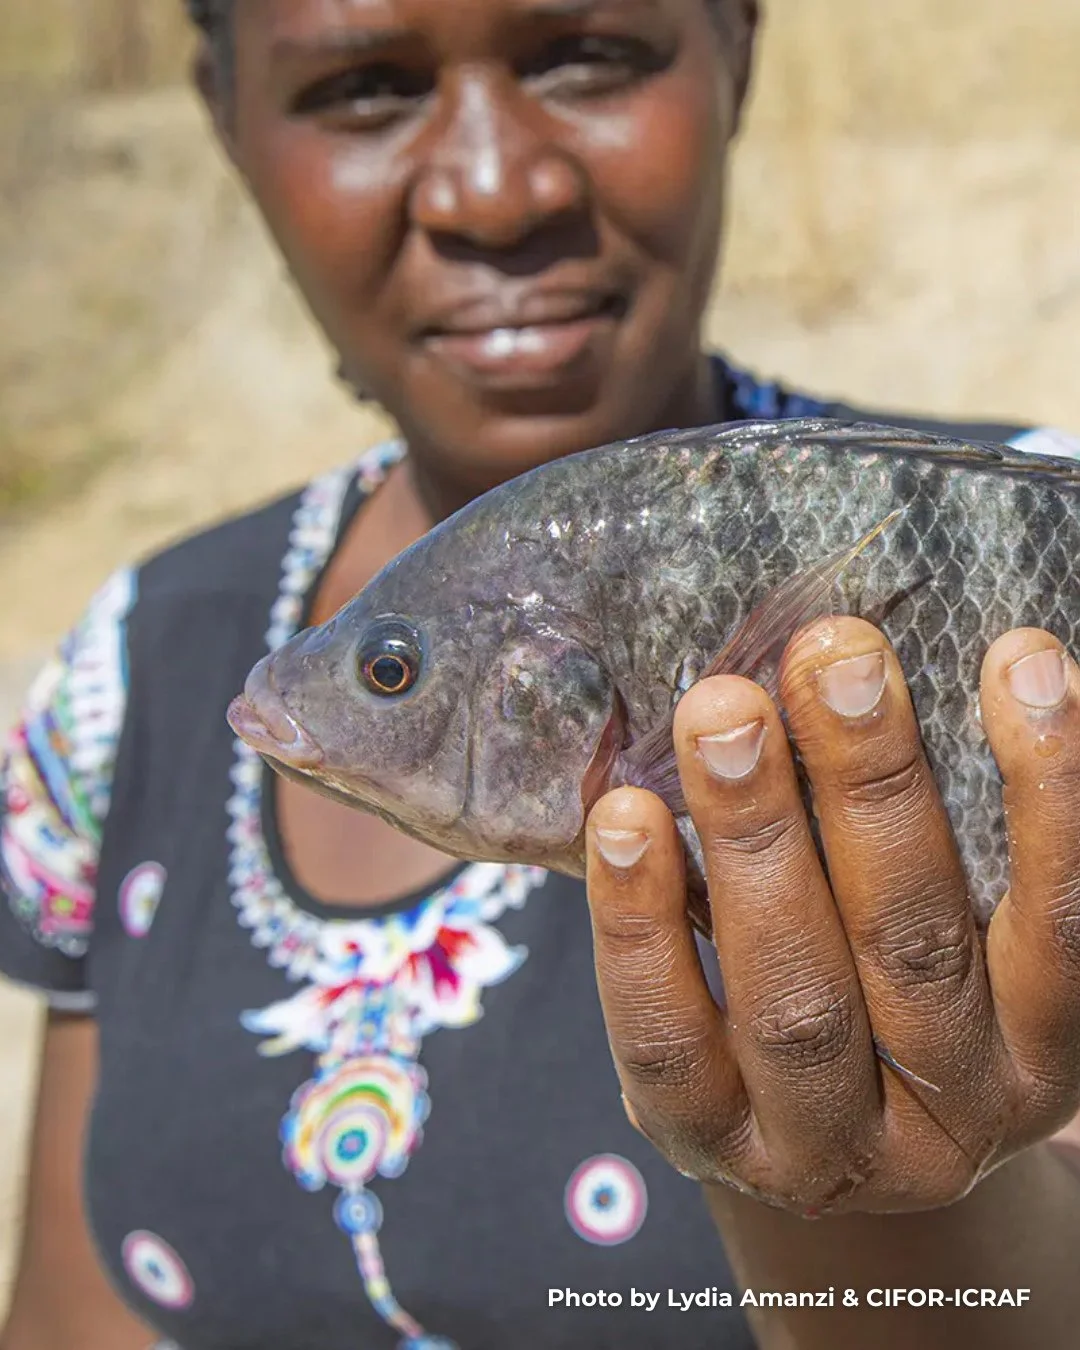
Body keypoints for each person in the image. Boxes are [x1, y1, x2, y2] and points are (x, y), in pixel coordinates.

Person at [2, 2, 1080, 1347]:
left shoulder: (1034, 518)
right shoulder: (126, 676)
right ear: (224, 116)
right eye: (365, 85)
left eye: (586, 54)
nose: (496, 191)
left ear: (739, 49)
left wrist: (889, 1192)